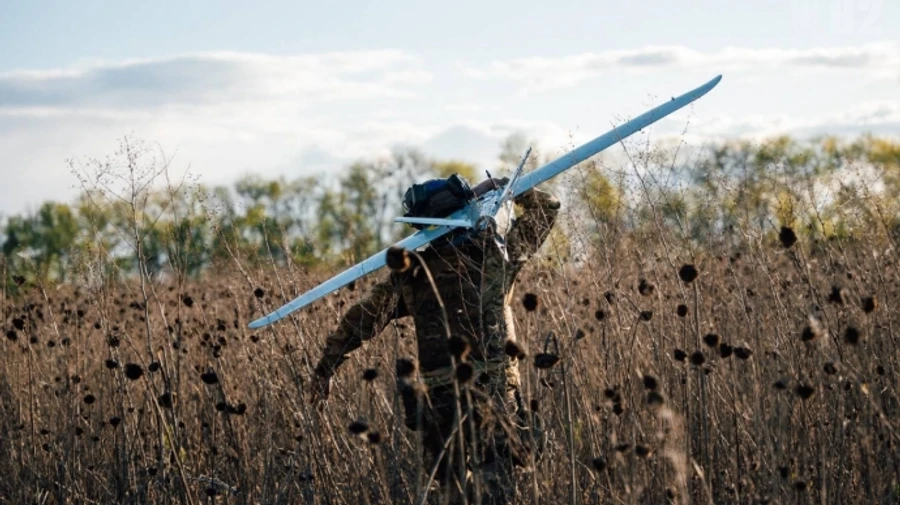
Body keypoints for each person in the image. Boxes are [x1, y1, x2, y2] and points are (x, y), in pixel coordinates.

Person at [309, 175, 560, 505]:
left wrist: (325, 369)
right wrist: (509, 187)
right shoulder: (496, 257)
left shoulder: (413, 275)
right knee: (495, 487)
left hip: (440, 403)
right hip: (494, 392)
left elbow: (360, 320)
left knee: (450, 492)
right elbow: (546, 209)